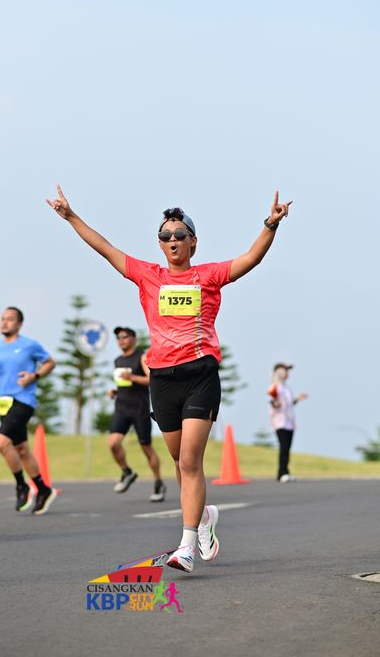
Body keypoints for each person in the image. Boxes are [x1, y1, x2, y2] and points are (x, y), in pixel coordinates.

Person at [46, 185, 292, 572]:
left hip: (200, 375)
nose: (172, 239)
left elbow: (250, 259)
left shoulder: (209, 275)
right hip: (162, 380)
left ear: (193, 242)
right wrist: (71, 216)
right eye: (165, 235)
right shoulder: (148, 276)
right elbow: (105, 248)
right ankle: (204, 515)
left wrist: (270, 225)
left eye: (180, 234)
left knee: (190, 461)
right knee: (179, 461)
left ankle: (186, 546)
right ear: (160, 244)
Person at [0, 307, 57, 514]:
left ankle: (21, 485)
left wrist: (34, 376)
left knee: (1, 442)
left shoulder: (29, 345)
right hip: (3, 403)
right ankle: (43, 489)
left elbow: (50, 362)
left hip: (23, 400)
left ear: (19, 323)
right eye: (2, 318)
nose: (4, 322)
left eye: (10, 319)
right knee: (22, 449)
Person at [108, 326, 166, 502]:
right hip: (122, 408)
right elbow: (123, 384)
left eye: (125, 337)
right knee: (113, 443)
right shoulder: (117, 360)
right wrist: (115, 391)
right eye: (118, 338)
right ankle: (127, 472)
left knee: (146, 447)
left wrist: (132, 377)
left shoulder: (142, 357)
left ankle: (158, 482)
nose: (121, 340)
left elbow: (151, 379)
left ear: (133, 339)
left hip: (139, 409)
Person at [268, 363, 308, 483]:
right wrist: (276, 404)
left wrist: (298, 399)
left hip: (289, 421)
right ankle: (282, 473)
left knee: (287, 448)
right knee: (284, 446)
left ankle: (285, 471)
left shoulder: (287, 388)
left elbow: (289, 403)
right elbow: (272, 399)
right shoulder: (275, 386)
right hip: (280, 421)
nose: (287, 373)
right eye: (285, 371)